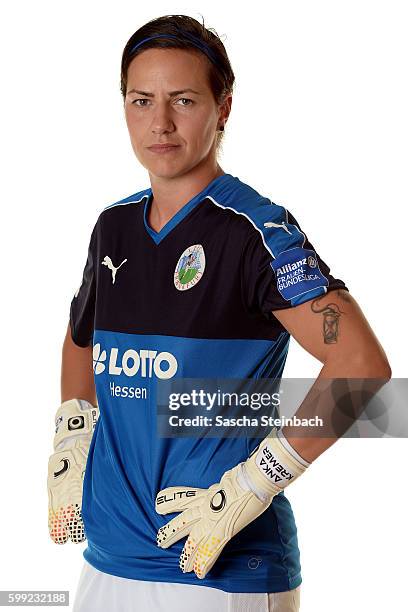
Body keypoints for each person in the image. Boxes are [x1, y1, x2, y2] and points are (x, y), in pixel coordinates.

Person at [47, 14, 392, 612]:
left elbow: (360, 365)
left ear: (223, 107)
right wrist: (71, 433)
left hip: (220, 564)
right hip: (108, 557)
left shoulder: (255, 231)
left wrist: (257, 480)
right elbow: (81, 338)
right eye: (140, 100)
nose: (159, 123)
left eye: (183, 100)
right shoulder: (113, 227)